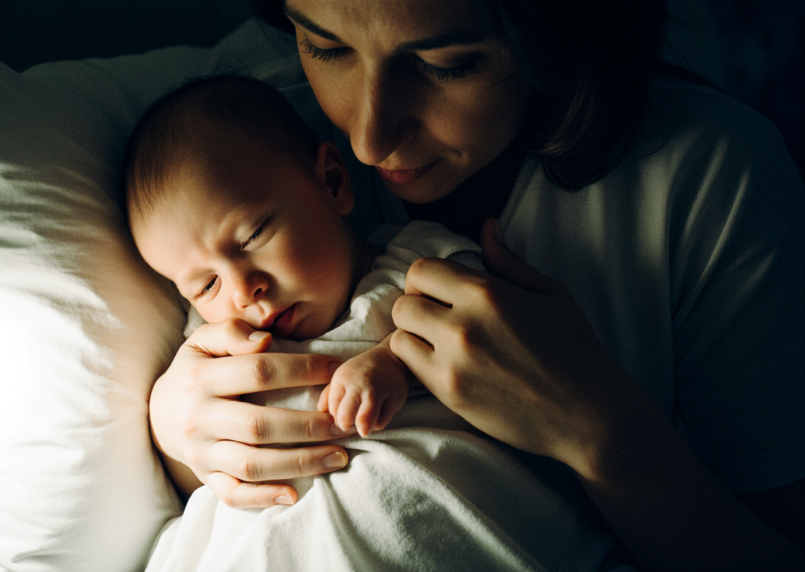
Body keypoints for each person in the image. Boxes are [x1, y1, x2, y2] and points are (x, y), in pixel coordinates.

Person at [145, 1, 805, 570]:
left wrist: (599, 433)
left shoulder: (709, 180)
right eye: (327, 45)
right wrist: (177, 434)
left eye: (448, 63)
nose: (370, 138)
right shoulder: (244, 119)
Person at [124, 75, 485, 442]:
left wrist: (395, 364)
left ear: (332, 183)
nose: (243, 292)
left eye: (253, 235)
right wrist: (169, 430)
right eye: (206, 285)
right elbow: (193, 422)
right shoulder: (219, 344)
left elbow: (482, 326)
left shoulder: (414, 263)